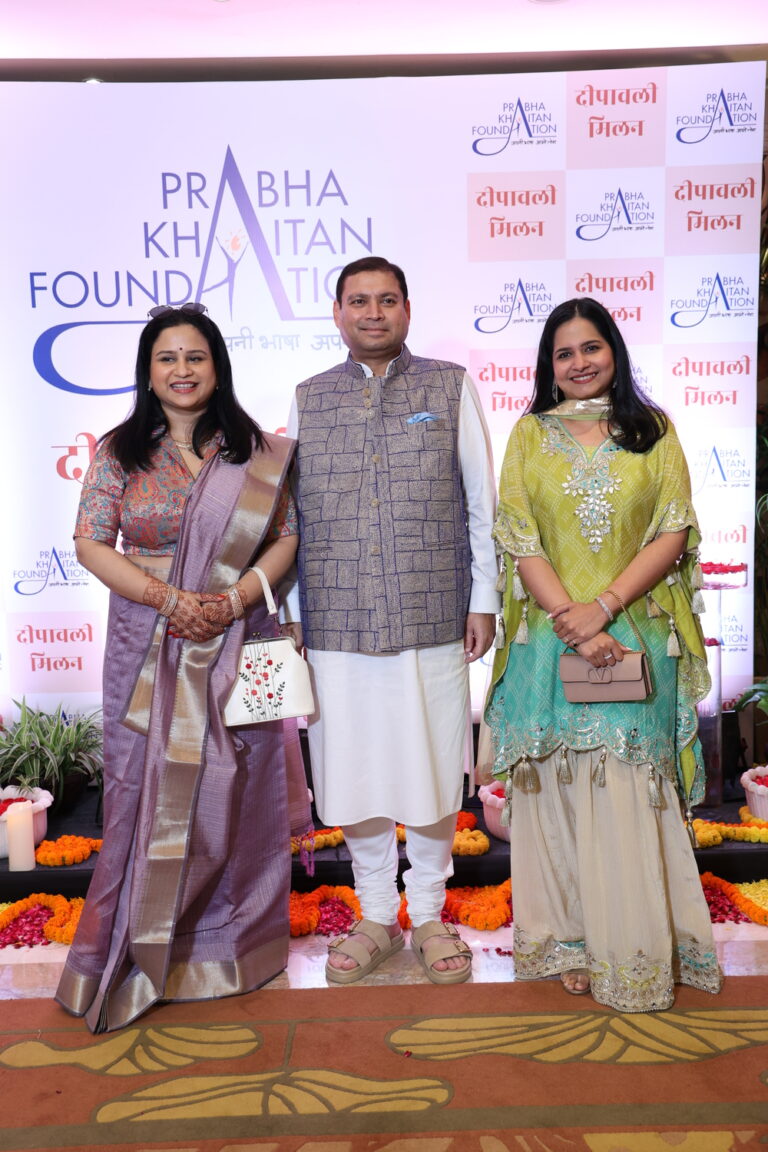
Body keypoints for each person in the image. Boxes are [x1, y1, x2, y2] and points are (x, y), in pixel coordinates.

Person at [56, 303, 310, 1033]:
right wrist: (171, 598)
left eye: (195, 357)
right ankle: (131, 951)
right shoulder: (120, 451)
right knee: (141, 795)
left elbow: (286, 539)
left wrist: (230, 601)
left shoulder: (255, 451)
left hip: (242, 636)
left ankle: (231, 951)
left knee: (244, 788)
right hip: (147, 641)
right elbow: (91, 542)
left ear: (216, 365)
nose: (182, 371)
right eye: (167, 358)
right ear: (148, 371)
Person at [484, 297, 723, 1011]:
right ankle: (571, 940)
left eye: (592, 347)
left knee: (626, 787)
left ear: (614, 352)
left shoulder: (653, 432)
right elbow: (519, 536)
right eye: (564, 352)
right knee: (557, 784)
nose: (579, 362)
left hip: (634, 634)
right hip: (549, 642)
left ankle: (640, 950)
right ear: (547, 366)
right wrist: (572, 619)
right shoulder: (529, 434)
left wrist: (605, 609)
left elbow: (672, 531)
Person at [285, 256, 500, 985]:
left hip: (433, 611)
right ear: (337, 313)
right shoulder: (309, 399)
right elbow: (290, 518)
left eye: (386, 300)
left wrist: (485, 599)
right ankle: (377, 914)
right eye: (357, 302)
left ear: (408, 308)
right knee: (357, 768)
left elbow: (482, 503)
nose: (372, 313)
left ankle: (432, 914)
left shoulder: (449, 385)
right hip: (337, 621)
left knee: (435, 766)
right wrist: (289, 615)